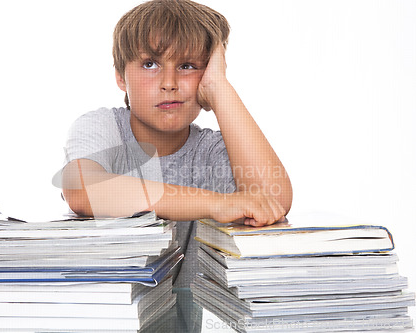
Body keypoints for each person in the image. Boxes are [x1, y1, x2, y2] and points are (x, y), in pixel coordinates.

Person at [60, 0, 292, 330]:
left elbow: (272, 201)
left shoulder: (211, 149)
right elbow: (85, 191)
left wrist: (220, 89)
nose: (169, 82)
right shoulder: (101, 128)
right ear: (120, 77)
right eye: (150, 64)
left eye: (187, 66)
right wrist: (218, 203)